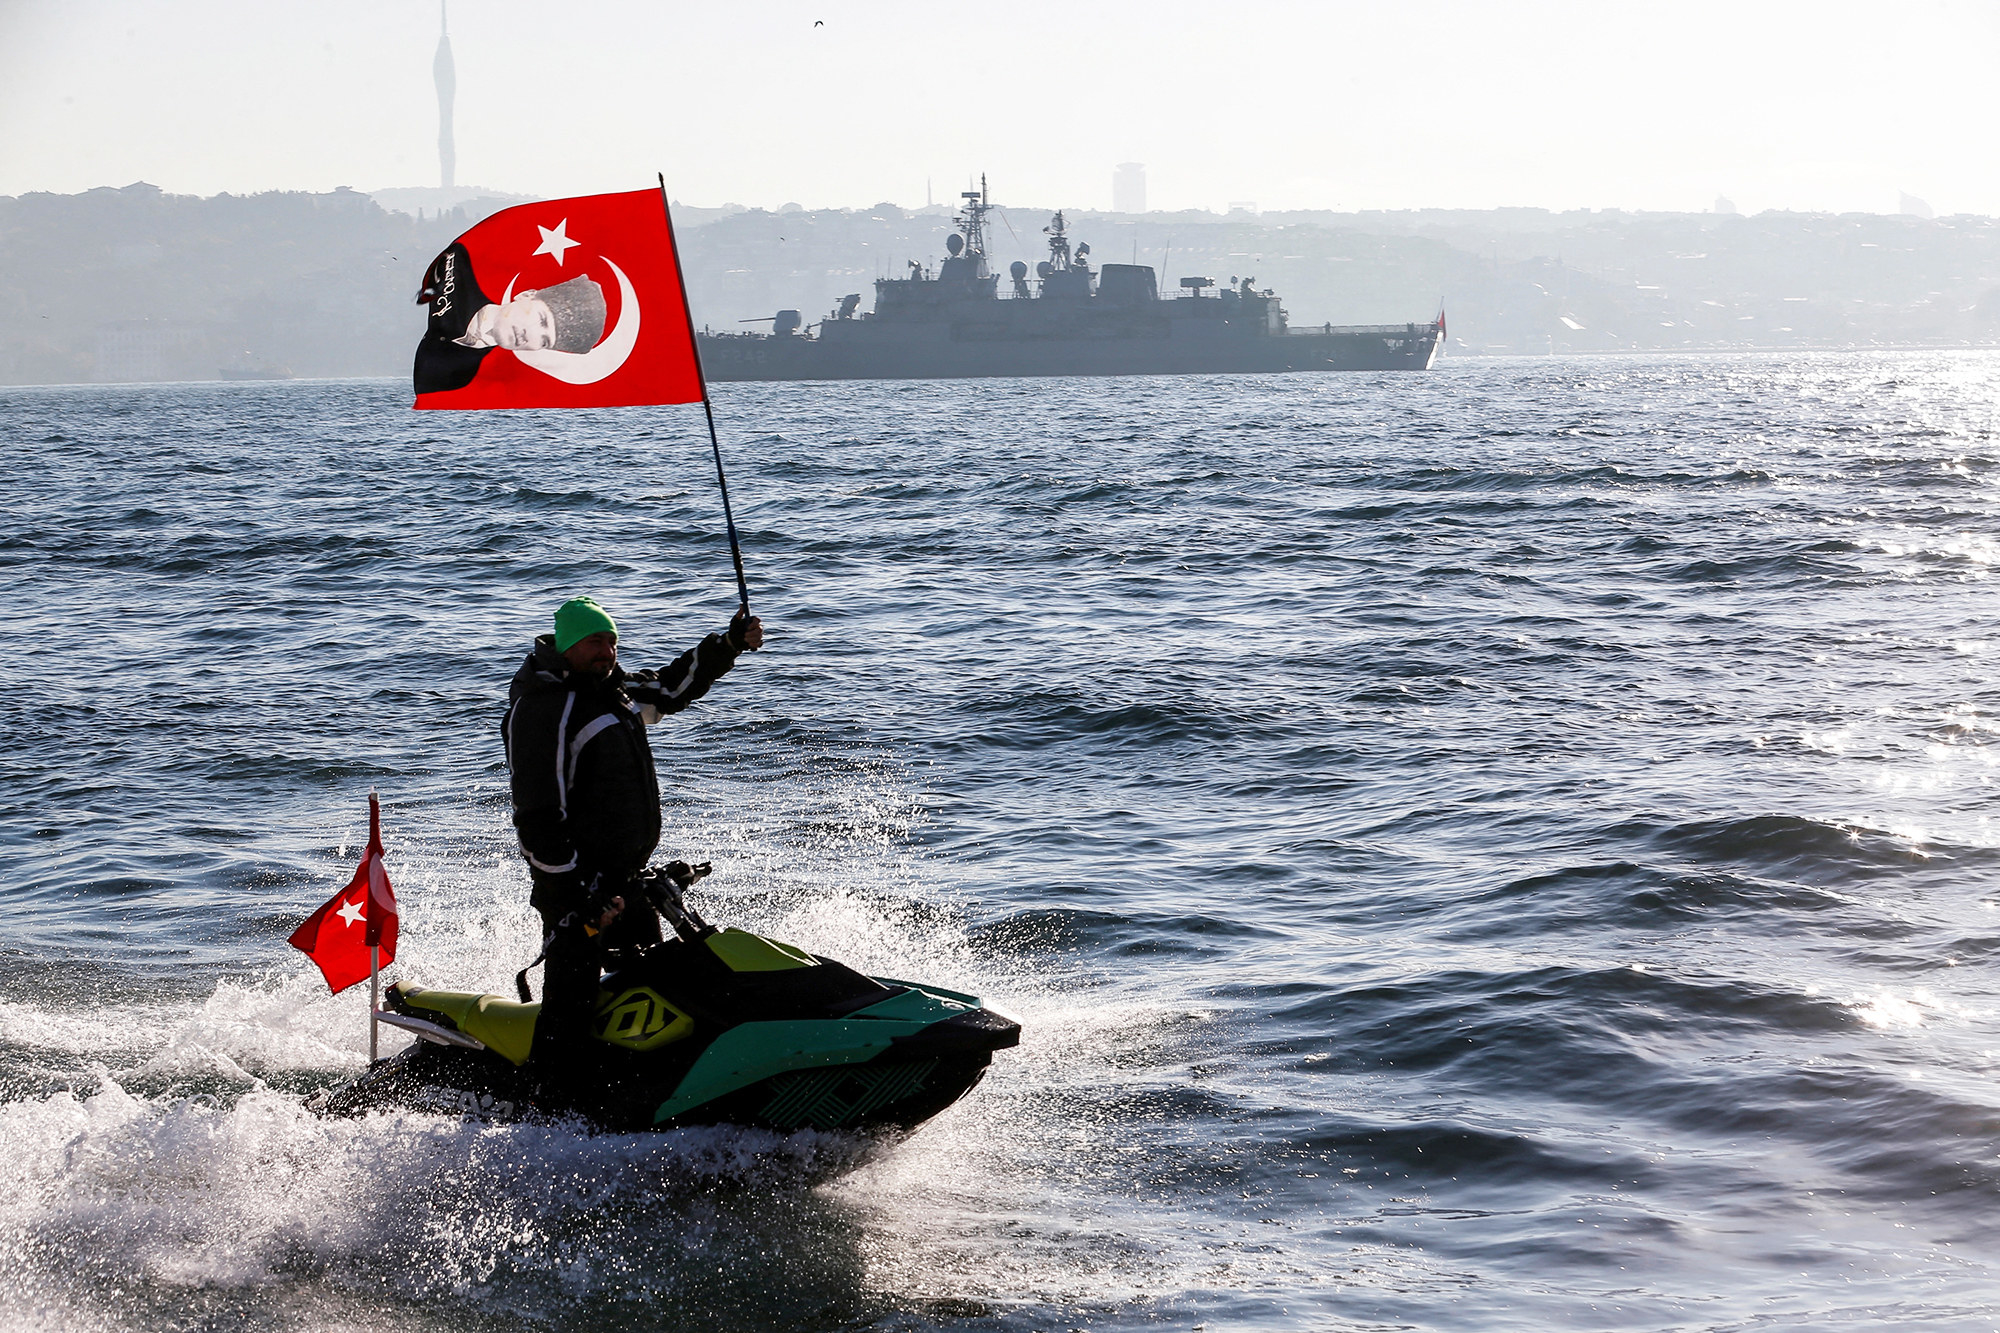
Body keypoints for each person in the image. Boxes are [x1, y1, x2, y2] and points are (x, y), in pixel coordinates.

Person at [502, 594, 763, 1077]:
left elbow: (669, 688)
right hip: (578, 891)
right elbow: (537, 815)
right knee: (572, 1007)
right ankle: (551, 1101)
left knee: (655, 988)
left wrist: (727, 645)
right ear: (566, 646)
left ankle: (651, 1085)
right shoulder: (545, 709)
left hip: (626, 880)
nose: (608, 650)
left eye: (612, 640)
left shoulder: (611, 689)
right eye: (594, 641)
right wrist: (577, 893)